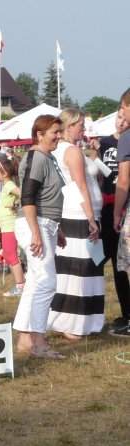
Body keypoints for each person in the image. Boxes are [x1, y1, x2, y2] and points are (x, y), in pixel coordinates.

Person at [13, 115, 66, 358]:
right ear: (39, 134)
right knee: (46, 282)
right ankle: (38, 341)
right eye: (55, 132)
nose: (59, 136)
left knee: (35, 282)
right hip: (36, 224)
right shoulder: (36, 158)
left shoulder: (48, 157)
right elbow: (28, 197)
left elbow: (49, 196)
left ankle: (26, 339)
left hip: (46, 224)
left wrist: (57, 228)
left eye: (59, 131)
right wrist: (36, 231)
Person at [48, 109, 103, 339]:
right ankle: (72, 321)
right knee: (79, 269)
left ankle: (79, 318)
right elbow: (80, 186)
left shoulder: (66, 149)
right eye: (80, 125)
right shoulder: (71, 151)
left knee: (80, 268)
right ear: (69, 126)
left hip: (76, 212)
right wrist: (90, 218)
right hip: (79, 214)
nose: (83, 128)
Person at [99, 110, 130, 335]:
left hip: (122, 206)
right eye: (119, 117)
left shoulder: (127, 141)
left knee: (123, 265)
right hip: (107, 207)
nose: (122, 121)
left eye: (125, 118)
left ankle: (127, 312)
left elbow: (124, 180)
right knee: (108, 261)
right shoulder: (105, 143)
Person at [0, 155, 25, 297]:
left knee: (11, 255)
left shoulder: (9, 185)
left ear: (4, 173)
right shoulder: (7, 185)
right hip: (6, 227)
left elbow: (23, 194)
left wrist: (15, 204)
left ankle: (20, 286)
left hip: (9, 227)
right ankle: (21, 283)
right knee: (8, 254)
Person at [114, 89, 130, 305]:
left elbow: (124, 180)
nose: (123, 114)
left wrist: (117, 213)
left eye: (123, 109)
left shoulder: (126, 138)